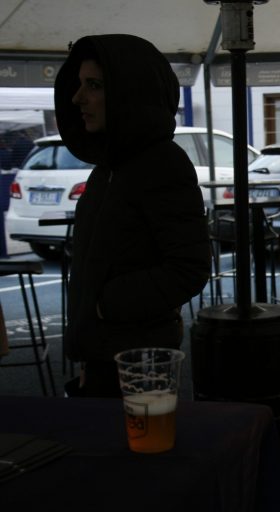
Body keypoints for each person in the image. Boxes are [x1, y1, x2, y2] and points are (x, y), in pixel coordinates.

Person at [55, 34, 211, 397]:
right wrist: (88, 349)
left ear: (129, 93)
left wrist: (104, 305)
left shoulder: (162, 164)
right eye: (79, 84)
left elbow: (189, 268)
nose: (78, 98)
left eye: (94, 85)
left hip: (139, 361)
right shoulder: (109, 167)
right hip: (103, 356)